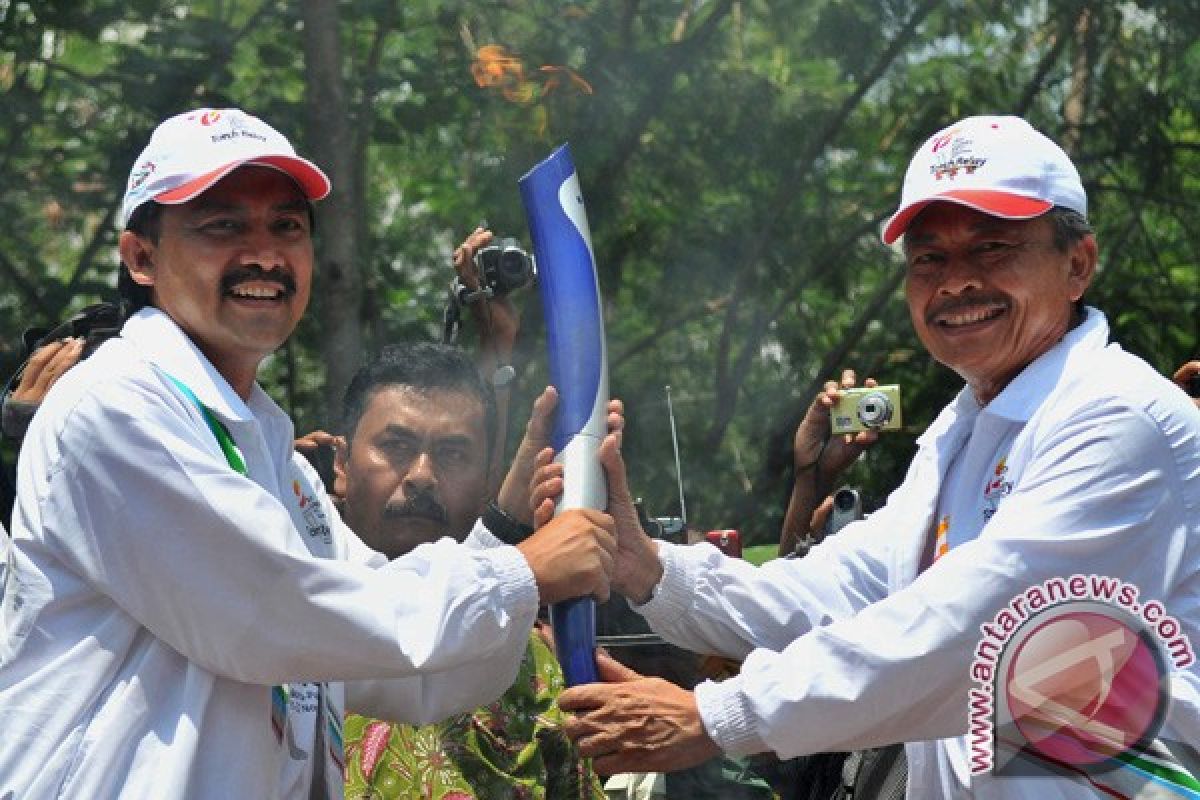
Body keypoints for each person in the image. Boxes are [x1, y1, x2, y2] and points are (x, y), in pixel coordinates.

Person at [545, 115, 1200, 798]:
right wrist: (648, 566)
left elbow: (978, 628)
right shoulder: (963, 431)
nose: (955, 283)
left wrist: (716, 717)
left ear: (1078, 264)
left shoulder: (1120, 416)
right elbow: (838, 591)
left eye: (993, 247)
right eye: (929, 259)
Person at [0, 107, 618, 799]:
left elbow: (408, 667)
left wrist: (517, 551)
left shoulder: (278, 464)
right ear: (141, 257)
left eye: (286, 227)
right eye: (223, 225)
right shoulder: (116, 404)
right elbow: (273, 613)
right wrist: (524, 569)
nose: (263, 252)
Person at [332, 342, 605, 799]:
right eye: (396, 446)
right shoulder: (284, 598)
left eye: (453, 454)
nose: (422, 474)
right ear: (341, 463)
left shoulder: (526, 652)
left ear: (486, 482)